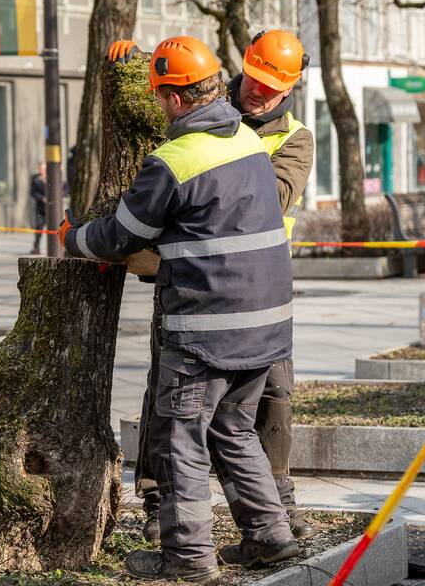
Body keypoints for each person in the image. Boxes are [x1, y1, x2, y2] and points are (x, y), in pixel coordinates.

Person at [61, 36, 298, 583]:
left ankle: (189, 561)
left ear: (172, 98)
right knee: (234, 431)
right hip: (265, 329)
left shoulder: (174, 160)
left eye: (161, 95)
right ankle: (271, 536)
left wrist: (73, 238)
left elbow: (122, 234)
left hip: (205, 332)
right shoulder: (245, 140)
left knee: (181, 440)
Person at [220, 29, 315, 539]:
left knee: (275, 389)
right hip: (199, 270)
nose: (258, 91)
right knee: (167, 389)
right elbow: (166, 84)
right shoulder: (208, 102)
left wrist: (224, 150)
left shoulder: (295, 138)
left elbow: (273, 200)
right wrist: (134, 59)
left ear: (291, 87)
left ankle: (279, 492)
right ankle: (157, 496)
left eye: (272, 87)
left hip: (263, 278)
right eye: (254, 78)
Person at [30, 161, 47, 254]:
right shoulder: (35, 178)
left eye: (43, 169)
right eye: (40, 169)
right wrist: (41, 198)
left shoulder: (53, 176)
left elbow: (64, 188)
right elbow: (32, 192)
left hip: (52, 209)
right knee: (38, 227)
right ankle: (36, 247)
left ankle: (61, 247)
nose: (42, 171)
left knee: (56, 228)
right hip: (40, 208)